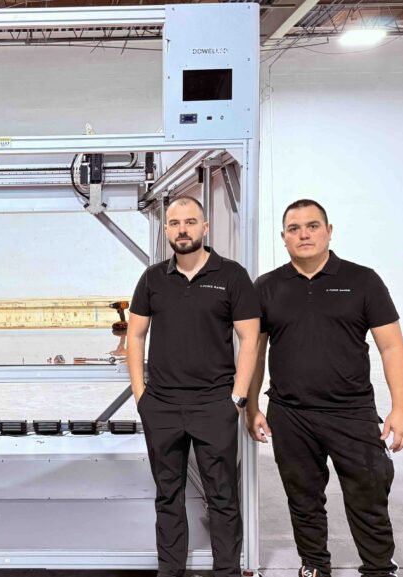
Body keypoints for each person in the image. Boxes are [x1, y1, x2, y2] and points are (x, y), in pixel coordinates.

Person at [248, 199, 403, 577]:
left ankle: (378, 569)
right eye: (294, 229)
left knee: (368, 492)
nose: (303, 234)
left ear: (329, 231)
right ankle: (314, 566)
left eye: (312, 226)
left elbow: (392, 347)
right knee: (303, 497)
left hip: (351, 412)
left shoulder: (363, 280)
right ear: (284, 237)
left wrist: (401, 408)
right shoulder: (267, 286)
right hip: (290, 413)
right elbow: (255, 352)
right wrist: (252, 405)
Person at [127, 196, 261, 577]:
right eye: (174, 223)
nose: (182, 230)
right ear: (167, 230)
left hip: (214, 405)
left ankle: (226, 572)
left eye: (189, 222)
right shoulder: (152, 279)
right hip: (162, 406)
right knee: (168, 495)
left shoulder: (232, 276)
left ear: (205, 227)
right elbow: (135, 336)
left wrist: (237, 399)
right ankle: (170, 571)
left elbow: (250, 338)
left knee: (222, 496)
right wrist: (141, 396)